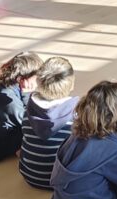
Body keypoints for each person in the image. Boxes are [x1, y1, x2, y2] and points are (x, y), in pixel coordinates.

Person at [20, 56, 79, 189]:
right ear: (72, 84)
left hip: (30, 176)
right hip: (62, 181)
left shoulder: (29, 110)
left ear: (38, 81)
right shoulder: (77, 114)